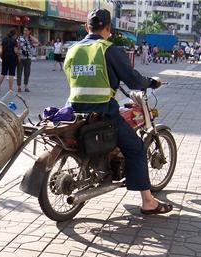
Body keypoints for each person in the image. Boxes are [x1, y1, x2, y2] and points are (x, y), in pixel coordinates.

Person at [64, 8, 173, 215]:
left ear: (87, 27)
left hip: (75, 111)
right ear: (109, 29)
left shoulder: (72, 50)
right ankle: (148, 202)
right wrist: (151, 82)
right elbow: (133, 79)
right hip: (104, 113)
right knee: (136, 147)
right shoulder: (109, 50)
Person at [16, 26, 38, 92]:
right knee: (19, 72)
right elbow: (17, 47)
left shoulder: (30, 39)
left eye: (26, 30)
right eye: (24, 30)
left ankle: (26, 86)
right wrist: (18, 56)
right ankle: (19, 87)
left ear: (29, 31)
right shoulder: (20, 38)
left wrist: (30, 36)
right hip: (21, 57)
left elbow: (37, 42)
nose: (25, 32)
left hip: (28, 58)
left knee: (27, 73)